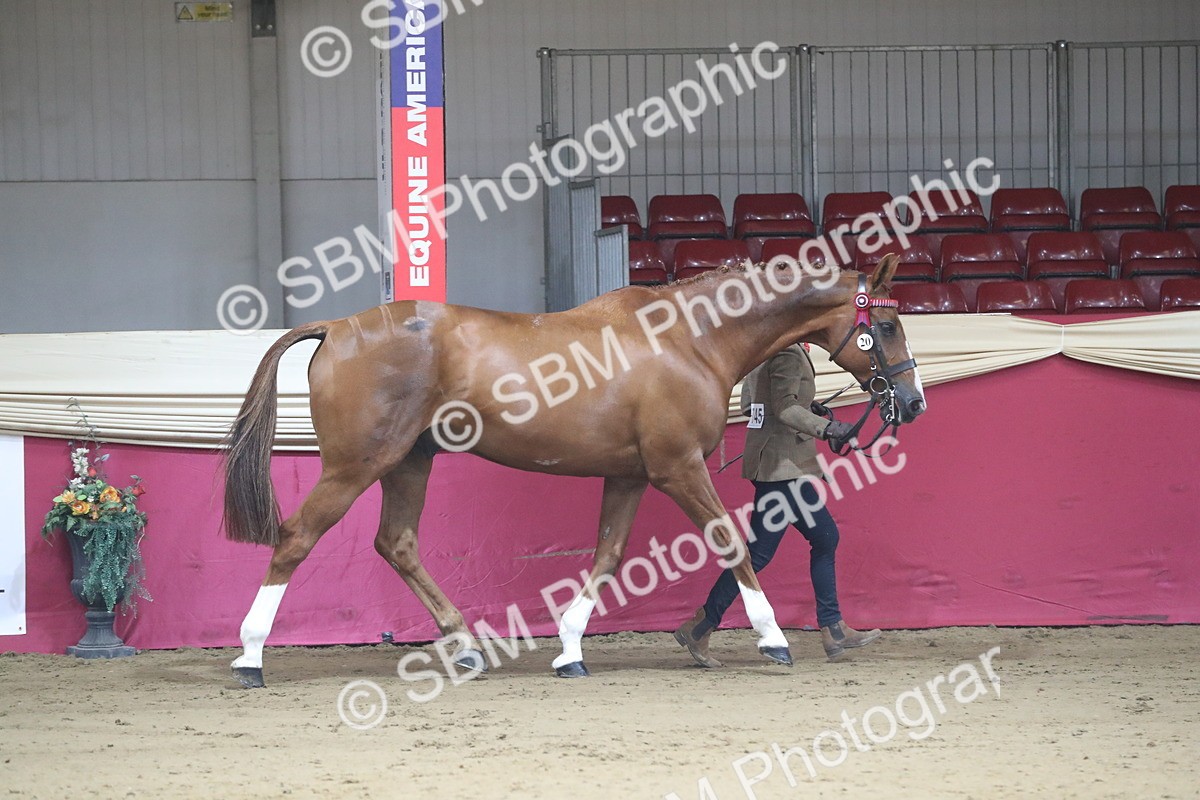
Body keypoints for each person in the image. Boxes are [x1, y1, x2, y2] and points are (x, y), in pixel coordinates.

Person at [674, 342, 881, 667]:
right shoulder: (786, 352)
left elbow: (749, 406)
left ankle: (833, 628)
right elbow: (784, 410)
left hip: (777, 464)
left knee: (825, 537)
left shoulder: (761, 350)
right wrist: (826, 427)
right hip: (781, 467)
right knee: (757, 555)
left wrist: (806, 407)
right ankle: (700, 625)